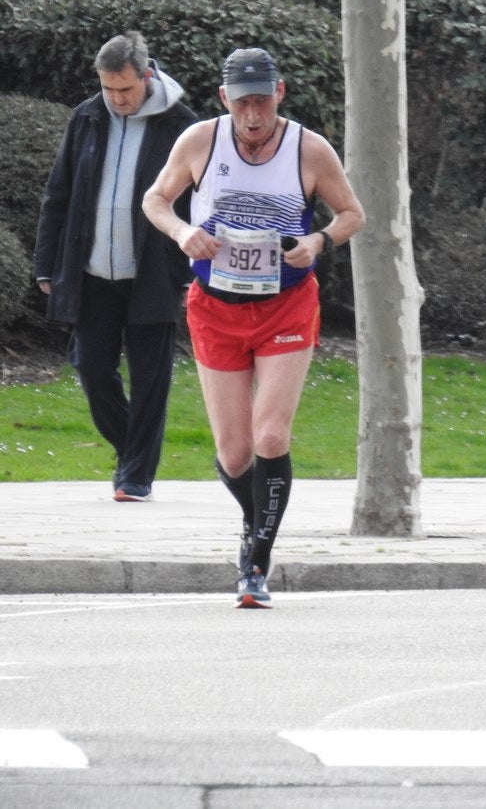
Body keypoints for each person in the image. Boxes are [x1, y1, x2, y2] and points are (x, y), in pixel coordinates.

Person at [142, 48, 365, 608]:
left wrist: (318, 241)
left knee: (271, 437)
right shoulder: (200, 141)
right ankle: (257, 521)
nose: (253, 114)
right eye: (243, 102)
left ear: (280, 93)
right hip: (214, 306)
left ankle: (255, 563)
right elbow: (156, 199)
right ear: (225, 100)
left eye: (263, 100)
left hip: (286, 307)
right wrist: (181, 232)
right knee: (237, 454)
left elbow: (352, 214)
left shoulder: (309, 149)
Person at [34, 32, 198, 503]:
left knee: (151, 377)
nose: (117, 99)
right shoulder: (87, 116)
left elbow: (199, 202)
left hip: (154, 272)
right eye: (109, 89)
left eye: (124, 90)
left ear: (146, 77)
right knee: (90, 366)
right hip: (91, 273)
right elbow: (58, 193)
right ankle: (134, 450)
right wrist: (48, 264)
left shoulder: (183, 126)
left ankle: (136, 476)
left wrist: (189, 271)